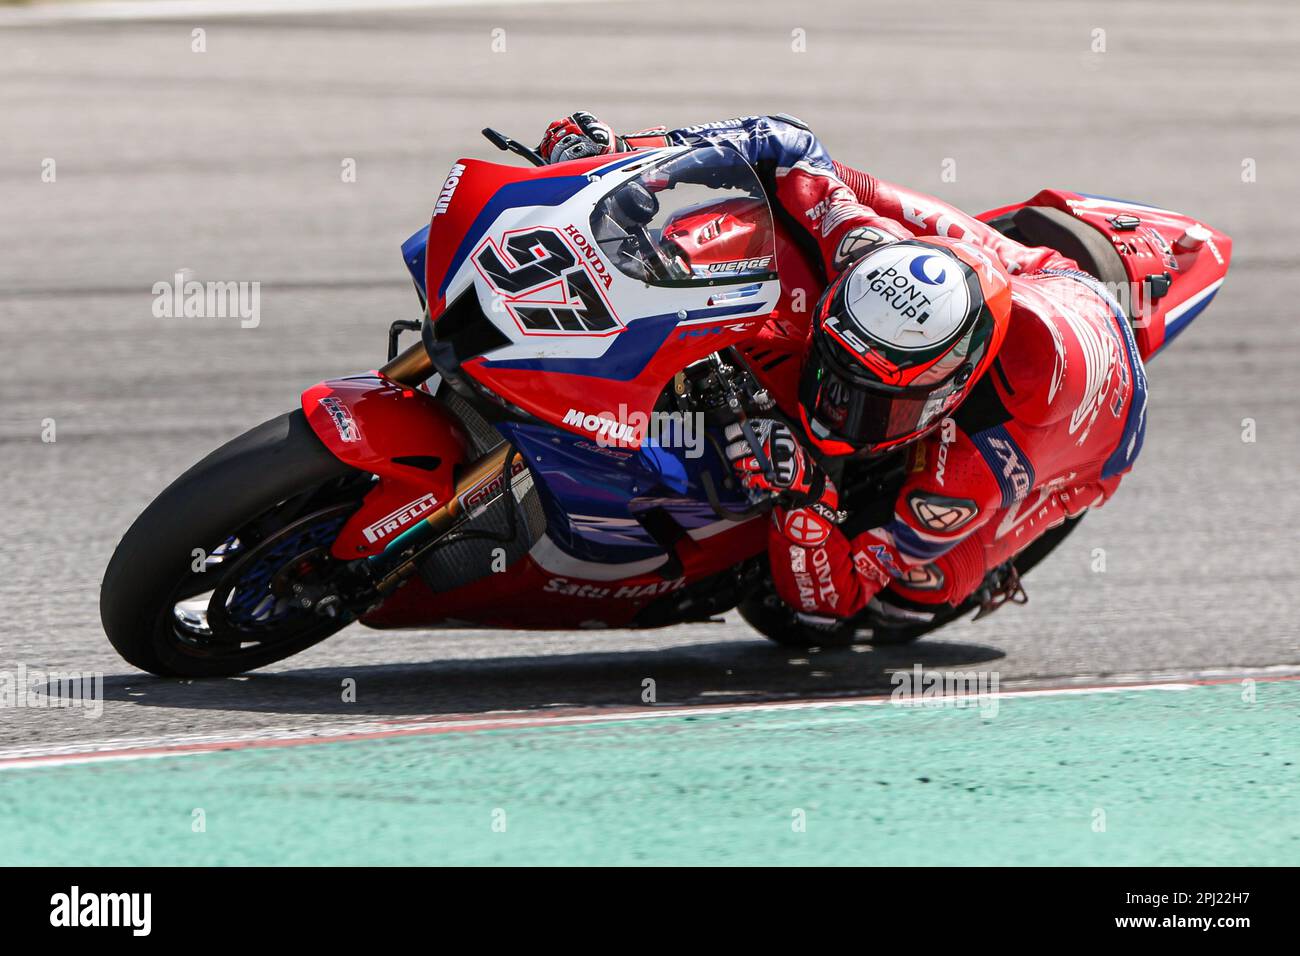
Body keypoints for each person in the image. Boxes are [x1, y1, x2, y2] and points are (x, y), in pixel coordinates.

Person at [536, 112, 1148, 627]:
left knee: (919, 587)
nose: (831, 415)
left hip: (1090, 435)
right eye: (831, 374)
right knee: (799, 211)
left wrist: (804, 494)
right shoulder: (862, 243)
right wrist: (626, 158)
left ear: (944, 398)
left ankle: (987, 568)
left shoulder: (974, 465)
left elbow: (831, 603)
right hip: (1025, 275)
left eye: (874, 406)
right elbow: (787, 145)